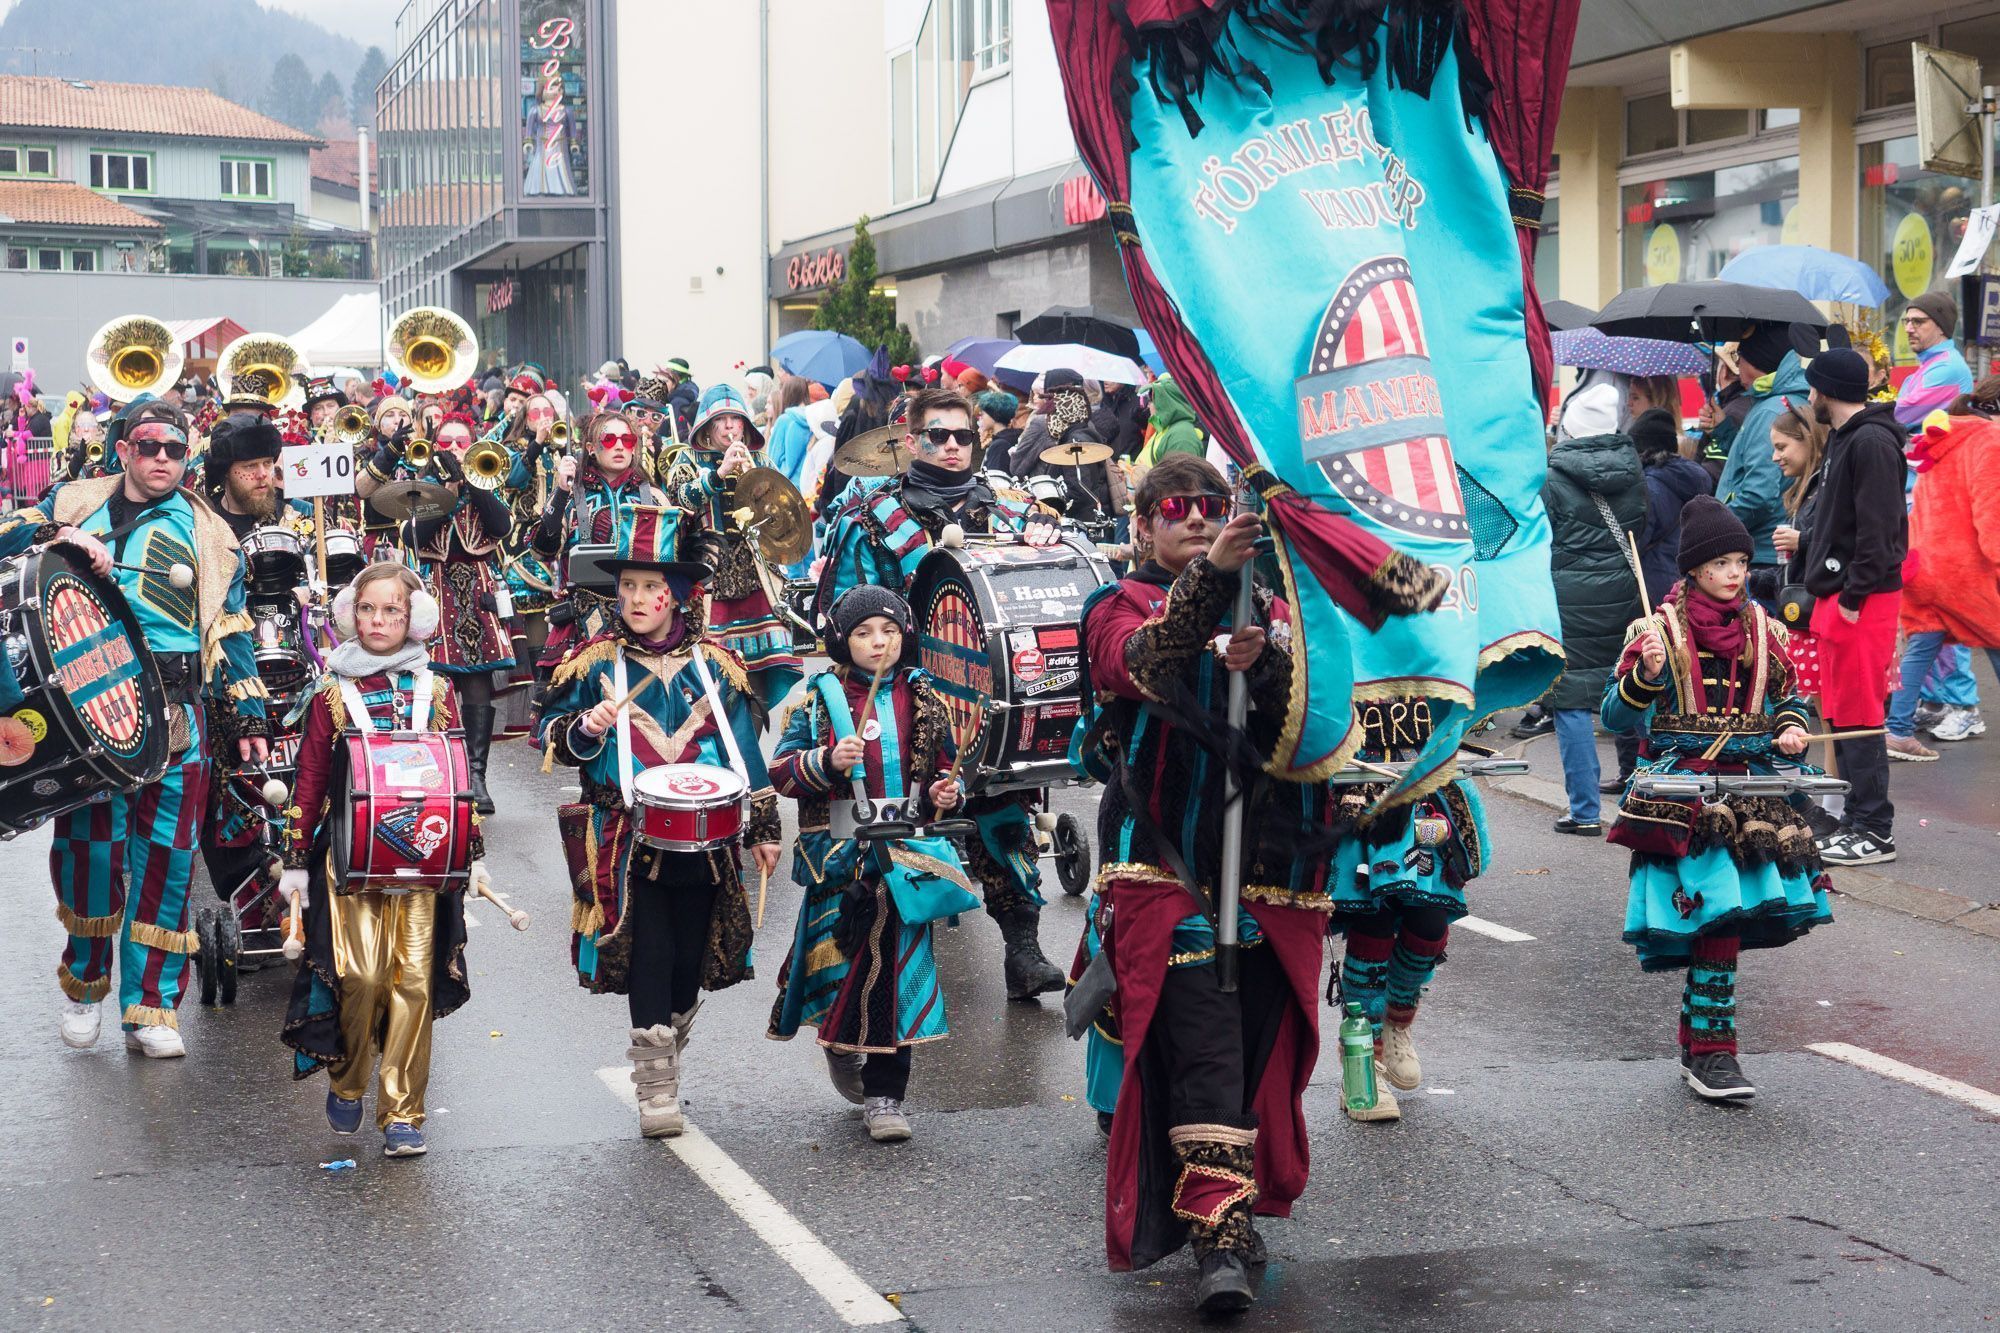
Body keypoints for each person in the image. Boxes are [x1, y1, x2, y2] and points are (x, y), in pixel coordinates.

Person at [1072, 453, 1328, 1316]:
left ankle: (1233, 1203)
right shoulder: (1115, 603)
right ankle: (1220, 1229)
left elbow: (1314, 718)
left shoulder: (1275, 607)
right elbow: (1137, 665)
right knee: (1204, 1036)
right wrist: (1212, 583)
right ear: (1143, 523)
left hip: (1272, 864)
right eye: (1176, 507)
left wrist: (1272, 662)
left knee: (1256, 1039)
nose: (1194, 517)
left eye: (1210, 507)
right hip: (1164, 856)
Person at [0, 401, 270, 1057]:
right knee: (90, 851)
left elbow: (230, 628)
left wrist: (248, 713)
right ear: (123, 450)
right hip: (91, 708)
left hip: (178, 711)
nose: (162, 459)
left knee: (168, 861)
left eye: (175, 449)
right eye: (149, 446)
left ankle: (152, 1006)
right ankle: (86, 984)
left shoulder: (211, 534)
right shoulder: (74, 500)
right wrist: (58, 533)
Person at [816, 386, 1072, 1000]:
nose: (953, 446)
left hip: (993, 692)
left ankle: (1023, 950)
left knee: (1004, 816)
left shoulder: (1012, 505)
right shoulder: (870, 517)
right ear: (912, 441)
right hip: (902, 692)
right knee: (898, 823)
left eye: (963, 435)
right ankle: (883, 961)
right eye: (938, 435)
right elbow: (844, 618)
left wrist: (1047, 533)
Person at [537, 504, 781, 1138]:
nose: (638, 599)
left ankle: (669, 1036)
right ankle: (655, 1087)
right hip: (625, 834)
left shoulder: (717, 664)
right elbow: (551, 736)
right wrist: (584, 728)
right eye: (628, 586)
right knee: (650, 950)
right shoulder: (593, 663)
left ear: (678, 594)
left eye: (652, 587)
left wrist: (764, 825)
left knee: (688, 961)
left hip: (706, 839)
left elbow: (744, 751)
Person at [1600, 496, 1830, 1101]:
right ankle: (1711, 1053)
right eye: (1722, 563)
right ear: (1695, 568)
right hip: (1685, 793)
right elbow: (1614, 714)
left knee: (1728, 917)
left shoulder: (1766, 630)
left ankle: (1702, 1047)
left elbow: (1790, 697)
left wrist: (1790, 728)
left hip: (1752, 789)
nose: (1735, 573)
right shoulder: (1656, 631)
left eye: (1741, 562)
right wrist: (1646, 677)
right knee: (1718, 912)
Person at [278, 563, 481, 1157]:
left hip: (423, 860)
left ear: (414, 619)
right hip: (351, 860)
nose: (378, 621)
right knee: (363, 977)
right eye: (367, 609)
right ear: (350, 614)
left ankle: (402, 1113)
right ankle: (348, 1082)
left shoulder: (436, 691)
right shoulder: (331, 692)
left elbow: (456, 774)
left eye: (392, 610)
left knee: (413, 982)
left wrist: (469, 849)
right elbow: (311, 774)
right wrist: (296, 857)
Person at [766, 586, 971, 1142]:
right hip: (841, 860)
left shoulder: (925, 696)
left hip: (904, 859)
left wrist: (945, 792)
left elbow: (944, 768)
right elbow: (781, 772)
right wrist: (827, 760)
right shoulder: (817, 700)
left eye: (889, 631)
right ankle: (840, 1044)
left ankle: (886, 1097)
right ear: (842, 640)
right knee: (840, 971)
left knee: (894, 974)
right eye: (863, 633)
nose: (878, 642)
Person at [1796, 348, 1908, 867]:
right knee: (1841, 713)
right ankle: (1855, 819)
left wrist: (1854, 595)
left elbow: (1880, 531)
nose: (1809, 397)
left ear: (1828, 390)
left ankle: (1875, 829)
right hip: (1841, 596)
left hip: (1861, 599)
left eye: (1813, 388)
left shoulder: (1871, 441)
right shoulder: (1848, 437)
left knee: (1861, 714)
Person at [1541, 383, 1645, 835]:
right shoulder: (1633, 472)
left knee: (1571, 702)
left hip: (1568, 600)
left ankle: (1584, 812)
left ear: (1570, 429)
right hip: (1623, 593)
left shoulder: (1551, 479)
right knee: (1632, 690)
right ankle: (1646, 798)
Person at [1883, 384, 2000, 763]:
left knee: (1921, 648)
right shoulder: (1990, 441)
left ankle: (1898, 731)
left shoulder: (1943, 437)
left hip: (1924, 564)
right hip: (1965, 570)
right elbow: (1992, 516)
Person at [667, 384, 803, 708]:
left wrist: (758, 480)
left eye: (736, 419)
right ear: (706, 426)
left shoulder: (761, 458)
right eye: (721, 420)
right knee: (712, 666)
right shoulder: (687, 459)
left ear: (745, 425)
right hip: (708, 574)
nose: (729, 426)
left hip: (757, 573)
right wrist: (719, 473)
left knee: (765, 667)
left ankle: (752, 725)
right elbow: (679, 500)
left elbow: (784, 515)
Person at [412, 412, 515, 813]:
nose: (454, 448)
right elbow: (414, 537)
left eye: (461, 441)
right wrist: (446, 492)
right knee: (432, 683)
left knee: (476, 682)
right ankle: (439, 774)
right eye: (447, 441)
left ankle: (476, 776)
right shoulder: (421, 485)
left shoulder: (487, 478)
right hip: (435, 590)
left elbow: (501, 527)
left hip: (476, 590)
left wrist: (472, 481)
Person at [532, 410, 669, 688]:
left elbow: (671, 556)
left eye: (627, 439)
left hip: (642, 615)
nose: (619, 446)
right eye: (609, 439)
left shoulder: (654, 496)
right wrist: (560, 491)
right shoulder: (571, 494)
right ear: (591, 448)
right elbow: (542, 549)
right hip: (583, 620)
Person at [1713, 322, 1807, 585]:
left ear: (1757, 361)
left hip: (1761, 552)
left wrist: (1715, 526)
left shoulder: (1769, 410)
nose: (1737, 366)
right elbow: (1750, 462)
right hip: (1775, 546)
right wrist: (1722, 429)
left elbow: (1759, 494)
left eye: (1740, 358)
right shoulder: (1790, 399)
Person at [1755, 400, 1831, 718]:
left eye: (1781, 447)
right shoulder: (1809, 490)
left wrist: (1803, 540)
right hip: (1806, 616)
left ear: (1807, 438)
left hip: (1816, 617)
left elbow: (1839, 542)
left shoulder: (1823, 490)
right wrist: (1753, 578)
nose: (1775, 457)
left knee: (1829, 712)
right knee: (1826, 713)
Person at [1633, 407, 1714, 608]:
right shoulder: (1693, 480)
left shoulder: (1649, 488)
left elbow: (1637, 542)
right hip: (1685, 584)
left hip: (1652, 586)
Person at [1893, 291, 1974, 429]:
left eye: (1918, 322)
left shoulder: (1947, 367)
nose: (1908, 329)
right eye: (1907, 321)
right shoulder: (1933, 363)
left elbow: (1898, 416)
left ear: (1941, 327)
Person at [1140, 373, 1205, 467]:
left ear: (1165, 402)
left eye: (1151, 400)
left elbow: (1180, 475)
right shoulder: (1165, 428)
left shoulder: (1181, 436)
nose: (1148, 406)